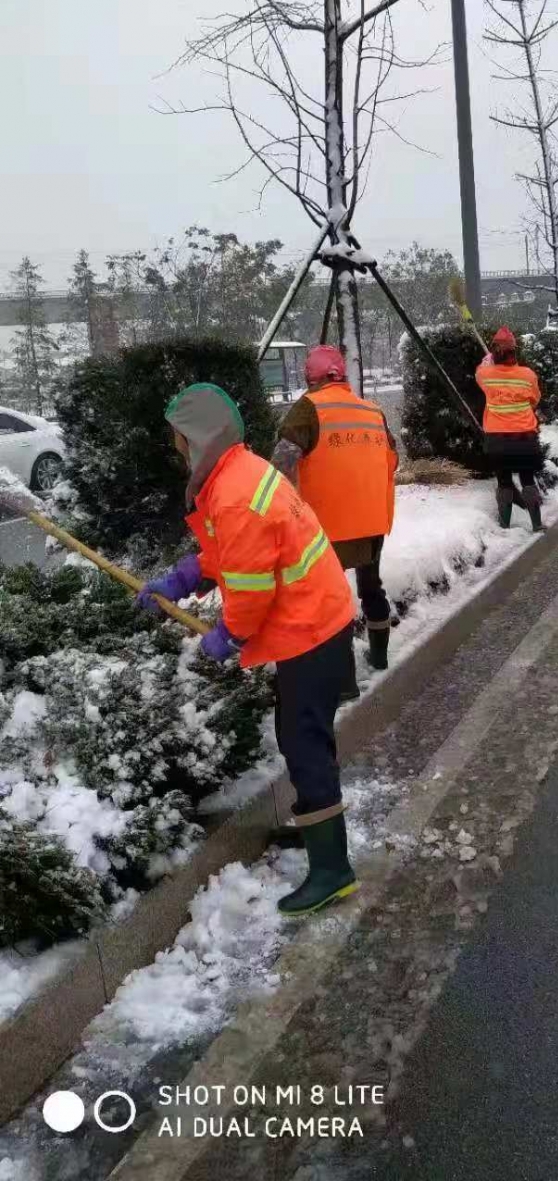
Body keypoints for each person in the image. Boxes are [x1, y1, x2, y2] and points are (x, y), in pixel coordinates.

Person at [136, 383, 359, 917]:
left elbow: (252, 587)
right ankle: (315, 823)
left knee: (302, 741)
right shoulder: (237, 472)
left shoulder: (234, 492)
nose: (176, 448)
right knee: (302, 734)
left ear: (199, 437)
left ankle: (333, 870)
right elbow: (227, 552)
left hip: (311, 629)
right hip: (316, 622)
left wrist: (228, 635)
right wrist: (181, 578)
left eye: (179, 438)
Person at [271, 345, 398, 680]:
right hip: (372, 522)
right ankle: (381, 657)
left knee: (330, 601)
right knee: (371, 589)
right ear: (341, 375)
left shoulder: (307, 408)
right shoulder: (373, 410)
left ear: (310, 379)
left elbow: (282, 464)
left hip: (325, 528)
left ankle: (344, 684)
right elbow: (393, 459)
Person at [475, 327, 544, 532]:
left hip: (497, 442)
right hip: (525, 439)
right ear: (515, 351)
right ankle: (537, 524)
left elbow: (479, 373)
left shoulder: (486, 375)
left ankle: (505, 525)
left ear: (495, 353)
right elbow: (535, 399)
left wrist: (487, 361)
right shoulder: (528, 375)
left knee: (504, 480)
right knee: (527, 479)